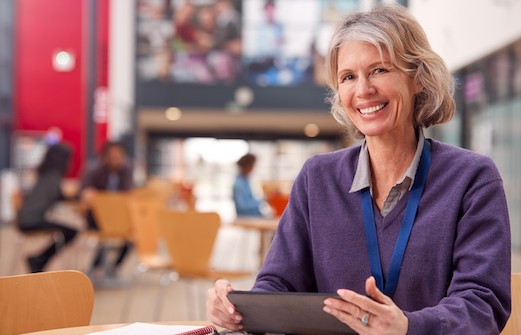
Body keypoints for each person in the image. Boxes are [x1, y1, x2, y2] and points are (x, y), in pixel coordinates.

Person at [207, 3, 511, 335]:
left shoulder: (472, 178)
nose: (363, 90)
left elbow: (483, 304)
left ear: (419, 79)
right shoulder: (316, 177)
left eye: (380, 70)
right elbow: (279, 281)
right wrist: (241, 309)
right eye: (348, 77)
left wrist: (410, 327)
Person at [17, 143, 77, 273]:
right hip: (31, 220)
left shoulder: (46, 175)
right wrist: (78, 197)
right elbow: (59, 197)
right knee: (71, 232)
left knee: (68, 230)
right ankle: (39, 259)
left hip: (25, 219)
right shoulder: (53, 176)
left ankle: (39, 259)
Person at [80, 141, 133, 278]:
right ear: (105, 156)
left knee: (133, 235)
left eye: (119, 156)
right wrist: (88, 194)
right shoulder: (94, 171)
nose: (116, 159)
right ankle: (96, 266)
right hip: (97, 219)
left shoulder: (126, 171)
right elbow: (83, 192)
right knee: (103, 237)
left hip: (120, 218)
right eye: (113, 156)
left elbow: (128, 194)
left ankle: (113, 268)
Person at [232, 153, 265, 217]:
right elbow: (242, 206)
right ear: (247, 166)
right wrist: (261, 201)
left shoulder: (246, 181)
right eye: (252, 165)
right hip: (246, 218)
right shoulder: (239, 184)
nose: (253, 168)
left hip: (254, 216)